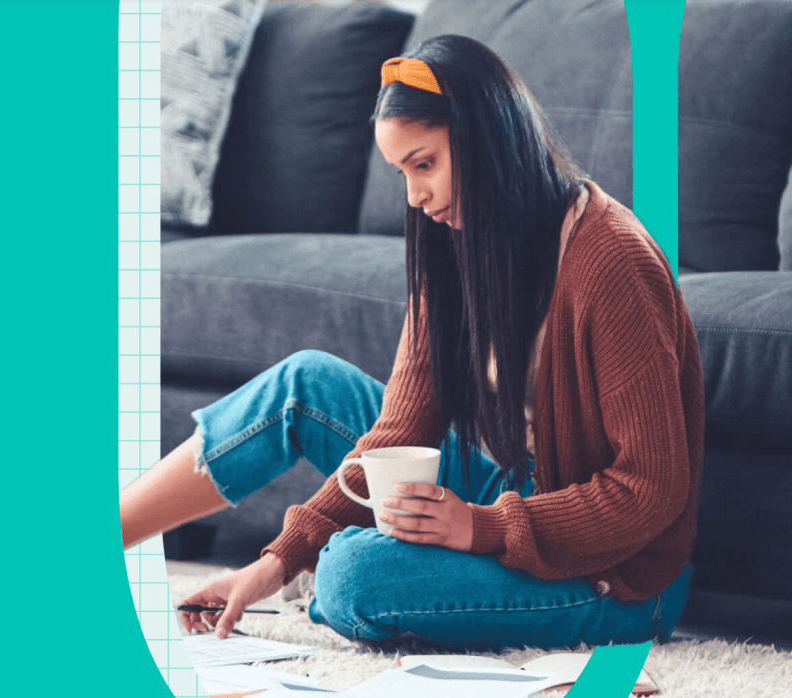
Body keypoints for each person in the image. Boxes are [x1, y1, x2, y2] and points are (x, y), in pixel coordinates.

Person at [120, 35, 704, 653]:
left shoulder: (611, 261)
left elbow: (651, 489)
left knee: (352, 575)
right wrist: (279, 560)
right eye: (402, 173)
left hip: (616, 576)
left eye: (424, 165)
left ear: (489, 143)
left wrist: (478, 527)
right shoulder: (455, 241)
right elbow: (398, 432)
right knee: (305, 384)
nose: (414, 197)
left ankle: (363, 570)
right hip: (518, 492)